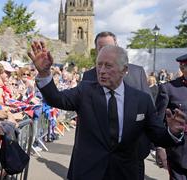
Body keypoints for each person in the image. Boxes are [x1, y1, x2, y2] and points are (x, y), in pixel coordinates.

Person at [28, 41, 186, 180]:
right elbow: (56, 99)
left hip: (126, 173)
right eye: (99, 64)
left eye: (108, 65)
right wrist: (44, 73)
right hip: (88, 173)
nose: (101, 70)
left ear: (124, 70)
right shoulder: (84, 92)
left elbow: (157, 136)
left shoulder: (141, 100)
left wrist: (172, 132)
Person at [81, 31, 152, 179]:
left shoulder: (137, 72)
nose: (104, 51)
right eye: (100, 48)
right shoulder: (89, 76)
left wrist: (159, 147)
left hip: (132, 155)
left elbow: (150, 112)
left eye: (108, 47)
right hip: (98, 157)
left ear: (117, 47)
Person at [156, 53, 187, 179]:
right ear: (182, 68)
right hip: (180, 152)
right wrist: (159, 147)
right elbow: (158, 121)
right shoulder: (169, 88)